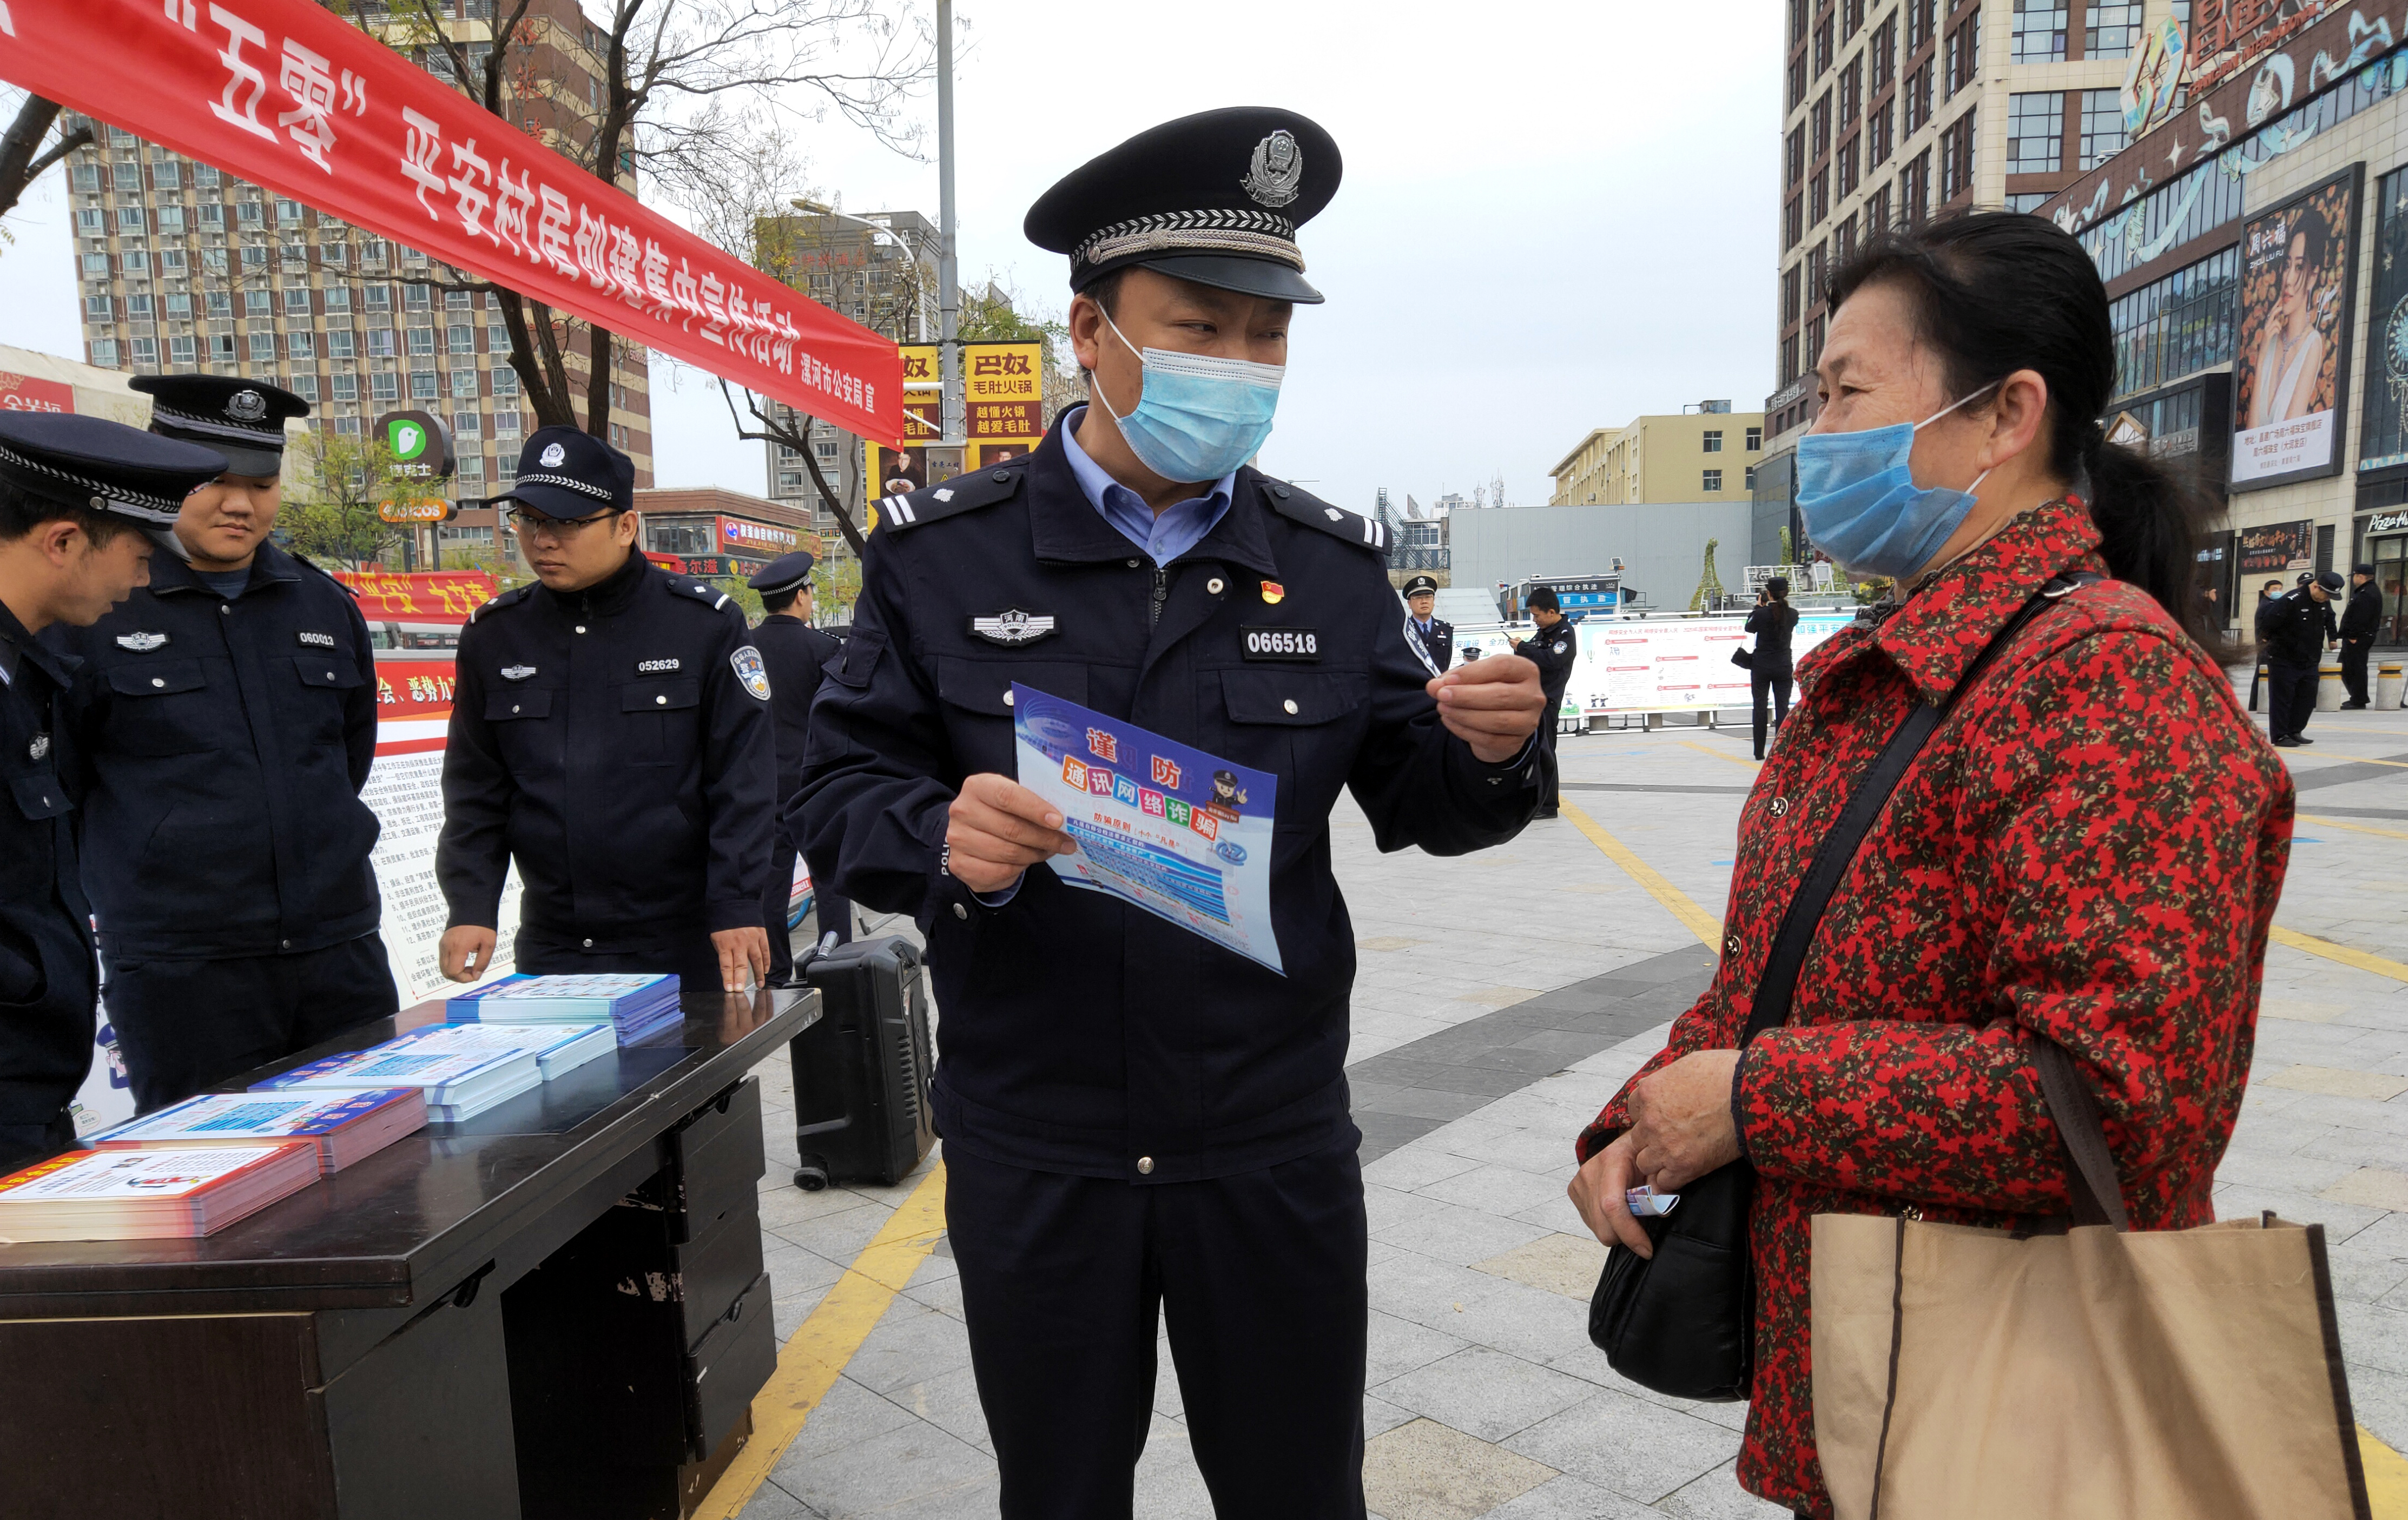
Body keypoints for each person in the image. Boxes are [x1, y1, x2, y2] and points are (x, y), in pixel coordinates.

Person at [795, 107, 1551, 1520]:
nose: (1241, 368)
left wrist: (1495, 754)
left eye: (1267, 340)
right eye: (1201, 329)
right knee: (1061, 1494)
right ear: (1092, 329)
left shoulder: (1327, 569)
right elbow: (836, 788)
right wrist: (935, 840)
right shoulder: (942, 559)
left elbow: (1421, 798)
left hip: (1265, 1144)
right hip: (1041, 1149)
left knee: (1297, 1494)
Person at [1564, 213, 2290, 1520]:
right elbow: (1775, 976)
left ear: (2004, 412)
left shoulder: (2100, 680)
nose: (1814, 437)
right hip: (1859, 1375)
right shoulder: (1895, 671)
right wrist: (1645, 1109)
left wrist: (1756, 1096)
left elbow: (2124, 1102)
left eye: (1844, 392)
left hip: (2020, 1405)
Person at [44, 377, 397, 1113]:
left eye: (262, 483)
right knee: (217, 1195)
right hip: (185, 971)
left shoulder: (322, 604)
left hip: (339, 952)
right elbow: (62, 783)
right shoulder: (96, 605)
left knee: (384, 1170)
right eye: (215, 480)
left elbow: (345, 759)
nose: (241, 503)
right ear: (165, 471)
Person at [436, 427, 774, 993]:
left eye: (566, 523)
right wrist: (471, 901)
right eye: (528, 519)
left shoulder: (702, 626)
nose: (542, 540)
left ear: (624, 525)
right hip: (554, 939)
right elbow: (476, 787)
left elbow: (744, 780)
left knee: (698, 1081)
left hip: (683, 935)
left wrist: (737, 901)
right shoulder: (496, 637)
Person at [0, 414, 228, 1167]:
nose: (143, 580)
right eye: (136, 554)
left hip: (31, 1087)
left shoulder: (27, 672)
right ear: (63, 542)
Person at [747, 548, 850, 981]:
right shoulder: (823, 648)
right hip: (814, 783)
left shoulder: (744, 649)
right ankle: (838, 964)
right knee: (830, 879)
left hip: (760, 784)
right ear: (802, 597)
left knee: (770, 884)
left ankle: (773, 973)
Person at [2247, 216, 2330, 428]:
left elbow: (2288, 432)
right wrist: (2262, 356)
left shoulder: (2312, 345)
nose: (2289, 279)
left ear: (2313, 277)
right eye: (2287, 266)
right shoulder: (2270, 339)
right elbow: (2250, 436)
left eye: (2300, 267)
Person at [1511, 585, 1576, 818]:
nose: (1535, 620)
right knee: (1534, 753)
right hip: (1532, 700)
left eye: (1537, 615)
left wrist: (1524, 648)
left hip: (1547, 703)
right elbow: (1531, 659)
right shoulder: (1543, 634)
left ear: (1551, 612)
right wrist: (1521, 650)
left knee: (1547, 753)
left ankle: (1549, 806)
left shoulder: (1565, 635)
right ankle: (1535, 802)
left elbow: (1550, 661)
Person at [2258, 569, 2340, 746]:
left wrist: (2333, 638)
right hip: (2284, 658)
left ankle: (2295, 731)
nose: (2327, 599)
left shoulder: (2323, 603)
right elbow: (2268, 625)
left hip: (2310, 660)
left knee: (2307, 699)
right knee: (2282, 699)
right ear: (2316, 586)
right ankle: (2280, 735)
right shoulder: (2291, 600)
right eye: (2326, 595)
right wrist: (2270, 648)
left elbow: (2328, 621)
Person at [1745, 575, 1799, 760]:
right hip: (1784, 666)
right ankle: (1781, 751)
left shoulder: (1760, 614)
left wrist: (1758, 608)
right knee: (1782, 707)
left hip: (1761, 666)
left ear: (1768, 593)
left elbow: (1749, 628)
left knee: (1759, 707)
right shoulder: (1793, 614)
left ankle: (1759, 751)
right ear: (1787, 593)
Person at [2340, 562, 2381, 708]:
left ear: (2361, 577)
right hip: (2358, 636)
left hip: (2358, 638)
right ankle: (2357, 697)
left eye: (2355, 576)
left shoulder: (2367, 593)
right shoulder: (2365, 591)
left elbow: (2361, 617)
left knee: (2355, 668)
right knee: (2347, 667)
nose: (2353, 579)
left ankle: (2359, 699)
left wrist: (2353, 636)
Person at [1401, 573, 1453, 673]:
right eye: (1418, 597)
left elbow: (1446, 663)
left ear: (1433, 601)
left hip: (1438, 685)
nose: (1424, 601)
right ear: (1409, 603)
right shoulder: (1404, 630)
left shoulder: (1446, 630)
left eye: (1428, 597)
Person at [2248, 577, 2285, 711]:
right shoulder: (2267, 606)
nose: (2278, 592)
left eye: (2280, 589)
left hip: (2266, 644)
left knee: (2262, 672)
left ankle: (2256, 703)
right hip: (2266, 644)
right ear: (2266, 592)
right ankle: (2259, 702)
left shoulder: (2270, 604)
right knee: (2263, 672)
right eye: (2275, 590)